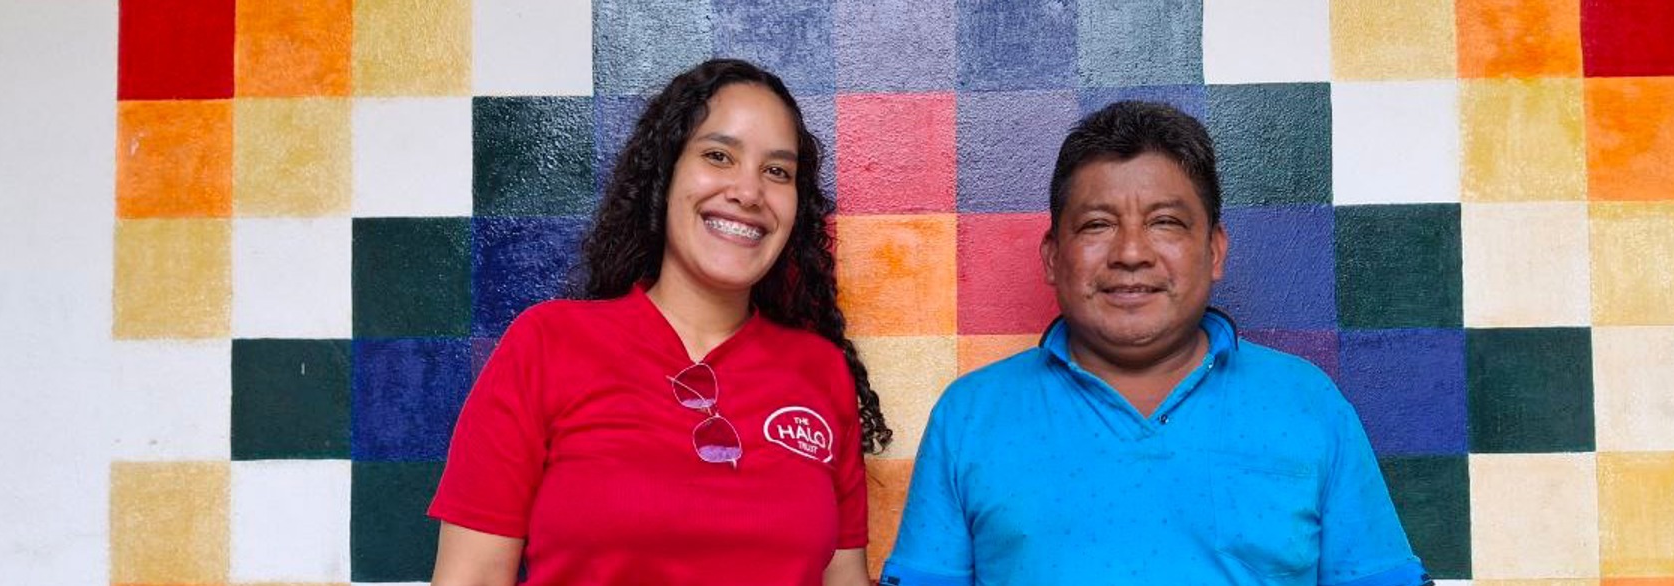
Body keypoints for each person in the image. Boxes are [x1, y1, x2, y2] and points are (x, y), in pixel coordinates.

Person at [878, 102, 1430, 586]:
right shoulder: (972, 414)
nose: (1131, 253)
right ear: (1052, 256)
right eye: (1097, 225)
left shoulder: (1307, 403)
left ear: (1214, 251)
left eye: (1165, 222)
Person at [428, 59, 889, 586]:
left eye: (777, 171)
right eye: (718, 156)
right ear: (665, 178)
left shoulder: (821, 372)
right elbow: (472, 577)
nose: (748, 191)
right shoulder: (547, 344)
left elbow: (844, 579)